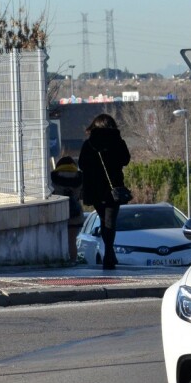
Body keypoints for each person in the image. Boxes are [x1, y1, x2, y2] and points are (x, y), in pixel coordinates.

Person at [79, 113, 131, 269]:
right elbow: (126, 160)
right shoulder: (118, 142)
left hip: (94, 189)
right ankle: (109, 253)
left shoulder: (89, 144)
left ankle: (109, 253)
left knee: (104, 220)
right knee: (110, 221)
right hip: (113, 188)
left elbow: (82, 164)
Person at [50, 156, 85, 262]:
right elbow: (82, 195)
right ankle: (72, 261)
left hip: (57, 214)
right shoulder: (80, 177)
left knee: (56, 240)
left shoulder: (53, 176)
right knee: (71, 241)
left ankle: (58, 260)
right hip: (75, 214)